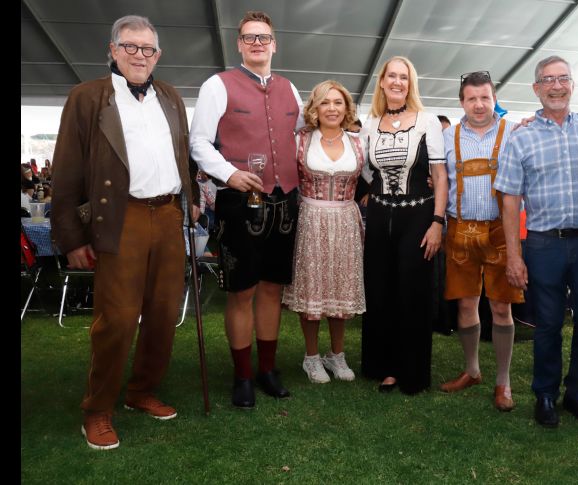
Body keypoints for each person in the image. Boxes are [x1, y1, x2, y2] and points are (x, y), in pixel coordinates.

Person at [50, 15, 199, 451]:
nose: (139, 55)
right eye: (130, 47)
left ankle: (141, 392)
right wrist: (72, 237)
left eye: (147, 49)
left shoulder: (170, 96)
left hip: (168, 215)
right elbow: (67, 170)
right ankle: (97, 409)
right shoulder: (87, 97)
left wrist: (191, 195)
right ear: (112, 50)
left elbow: (180, 154)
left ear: (158, 55)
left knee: (163, 313)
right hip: (121, 217)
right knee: (116, 319)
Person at [190, 10, 304, 407]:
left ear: (275, 44)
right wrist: (229, 173)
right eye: (249, 37)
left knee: (272, 288)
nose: (257, 43)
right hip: (239, 200)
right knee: (241, 291)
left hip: (285, 200)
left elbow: (302, 139)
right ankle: (242, 376)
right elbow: (199, 142)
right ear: (239, 44)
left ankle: (267, 370)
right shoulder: (217, 85)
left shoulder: (290, 89)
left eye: (264, 37)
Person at [495, 56, 578, 430]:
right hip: (543, 244)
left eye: (563, 79)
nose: (556, 86)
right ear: (536, 88)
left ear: (572, 84)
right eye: (548, 80)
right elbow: (509, 199)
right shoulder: (520, 136)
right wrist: (514, 255)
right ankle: (544, 394)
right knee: (548, 326)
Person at [360, 56, 448, 394]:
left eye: (404, 77)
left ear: (411, 84)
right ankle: (384, 367)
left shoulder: (427, 121)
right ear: (381, 81)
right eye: (392, 76)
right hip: (381, 217)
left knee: (411, 292)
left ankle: (410, 371)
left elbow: (440, 176)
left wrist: (437, 221)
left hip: (418, 216)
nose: (397, 82)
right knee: (381, 291)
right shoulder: (370, 123)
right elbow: (366, 171)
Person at [439, 71, 524, 412]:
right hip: (460, 229)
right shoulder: (448, 136)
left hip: (499, 231)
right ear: (462, 102)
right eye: (472, 98)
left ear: (494, 99)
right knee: (465, 304)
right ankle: (472, 370)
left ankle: (503, 381)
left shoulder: (514, 131)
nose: (478, 104)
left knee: (501, 307)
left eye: (485, 97)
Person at [282, 80, 365, 383]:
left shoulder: (359, 141)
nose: (332, 108)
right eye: (325, 102)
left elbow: (375, 176)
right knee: (312, 290)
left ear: (347, 108)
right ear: (315, 107)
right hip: (311, 219)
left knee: (341, 290)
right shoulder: (301, 140)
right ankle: (312, 357)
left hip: (345, 220)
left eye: (338, 102)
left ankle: (337, 355)